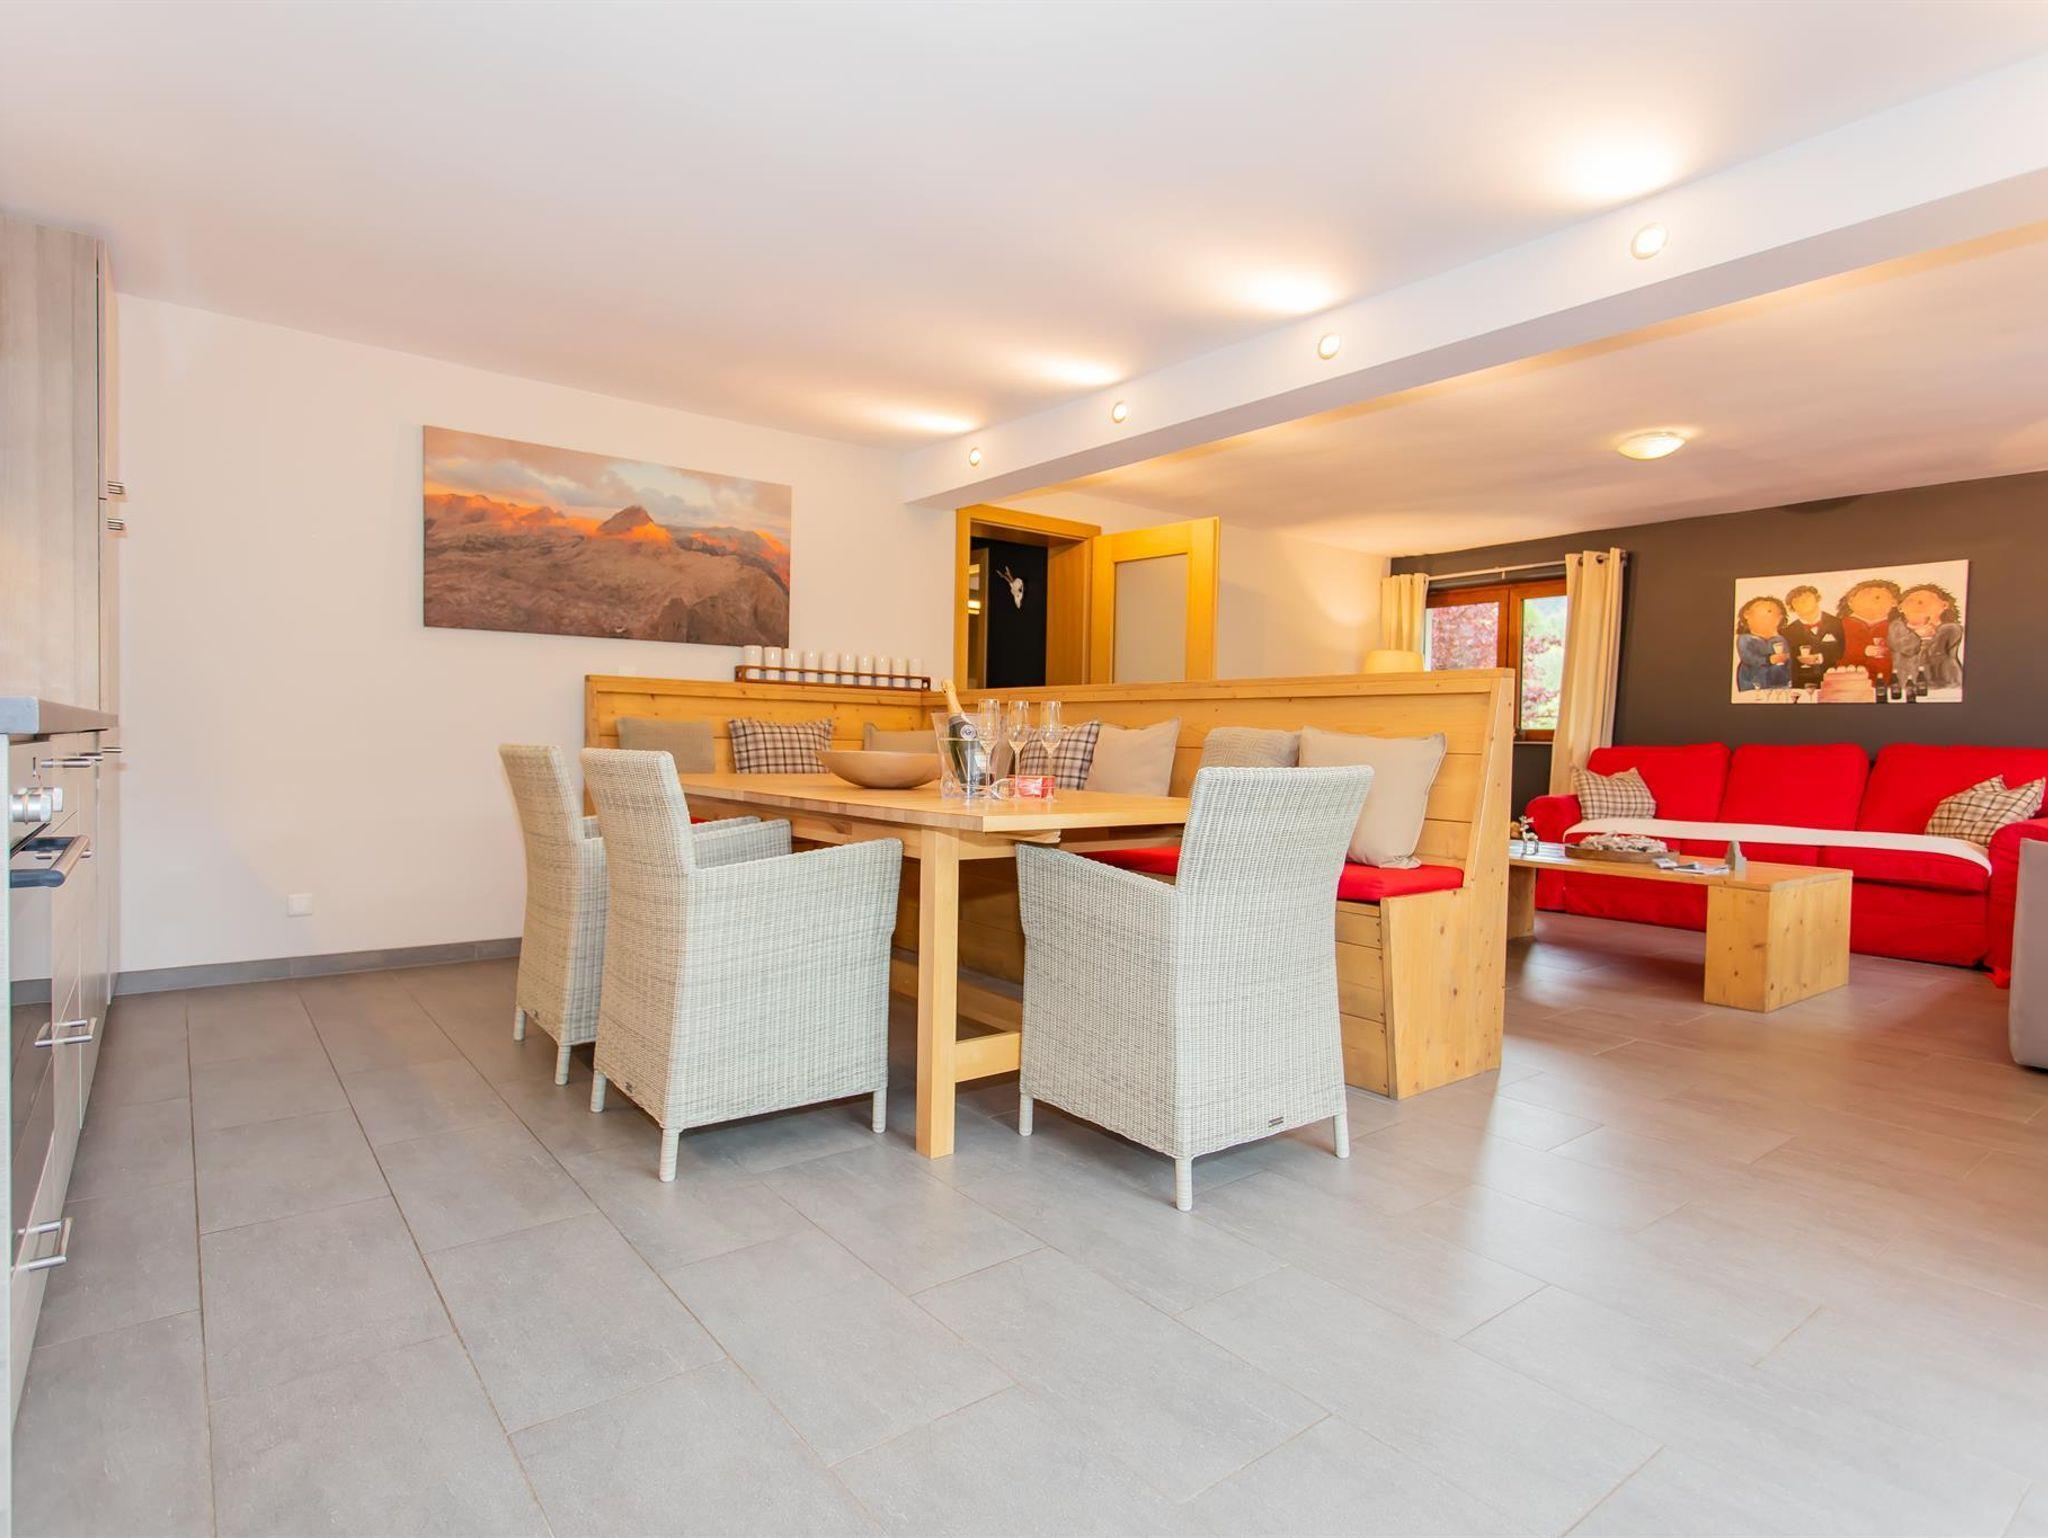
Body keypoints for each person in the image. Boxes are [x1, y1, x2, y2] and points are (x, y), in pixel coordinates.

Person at [1889, 581, 1964, 692]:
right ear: (1900, 608)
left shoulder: (1951, 629)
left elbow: (1936, 653)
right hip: (1906, 684)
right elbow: (1903, 648)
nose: (1919, 603)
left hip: (1943, 683)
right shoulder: (1896, 627)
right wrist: (1917, 634)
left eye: (1928, 600)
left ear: (1944, 605)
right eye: (1911, 600)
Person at [1839, 578, 1902, 685]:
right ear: (1850, 601)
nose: (1872, 601)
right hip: (1846, 683)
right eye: (1864, 597)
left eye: (1878, 597)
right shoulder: (1838, 626)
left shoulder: (1898, 627)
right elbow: (1831, 652)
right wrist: (1863, 651)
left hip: (1890, 684)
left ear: (1894, 602)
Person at [1780, 584, 1843, 689]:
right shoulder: (1787, 632)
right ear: (1792, 607)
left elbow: (1844, 651)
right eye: (1796, 601)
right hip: (1801, 685)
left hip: (1835, 682)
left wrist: (1819, 658)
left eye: (1807, 598)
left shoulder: (1838, 624)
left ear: (1817, 599)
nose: (1802, 602)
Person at [1735, 596, 1792, 691]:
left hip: (1779, 681)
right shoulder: (1745, 639)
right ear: (1746, 615)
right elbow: (1748, 658)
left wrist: (1786, 657)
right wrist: (1768, 660)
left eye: (1772, 613)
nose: (1767, 617)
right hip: (1753, 679)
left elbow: (1787, 659)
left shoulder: (1780, 640)